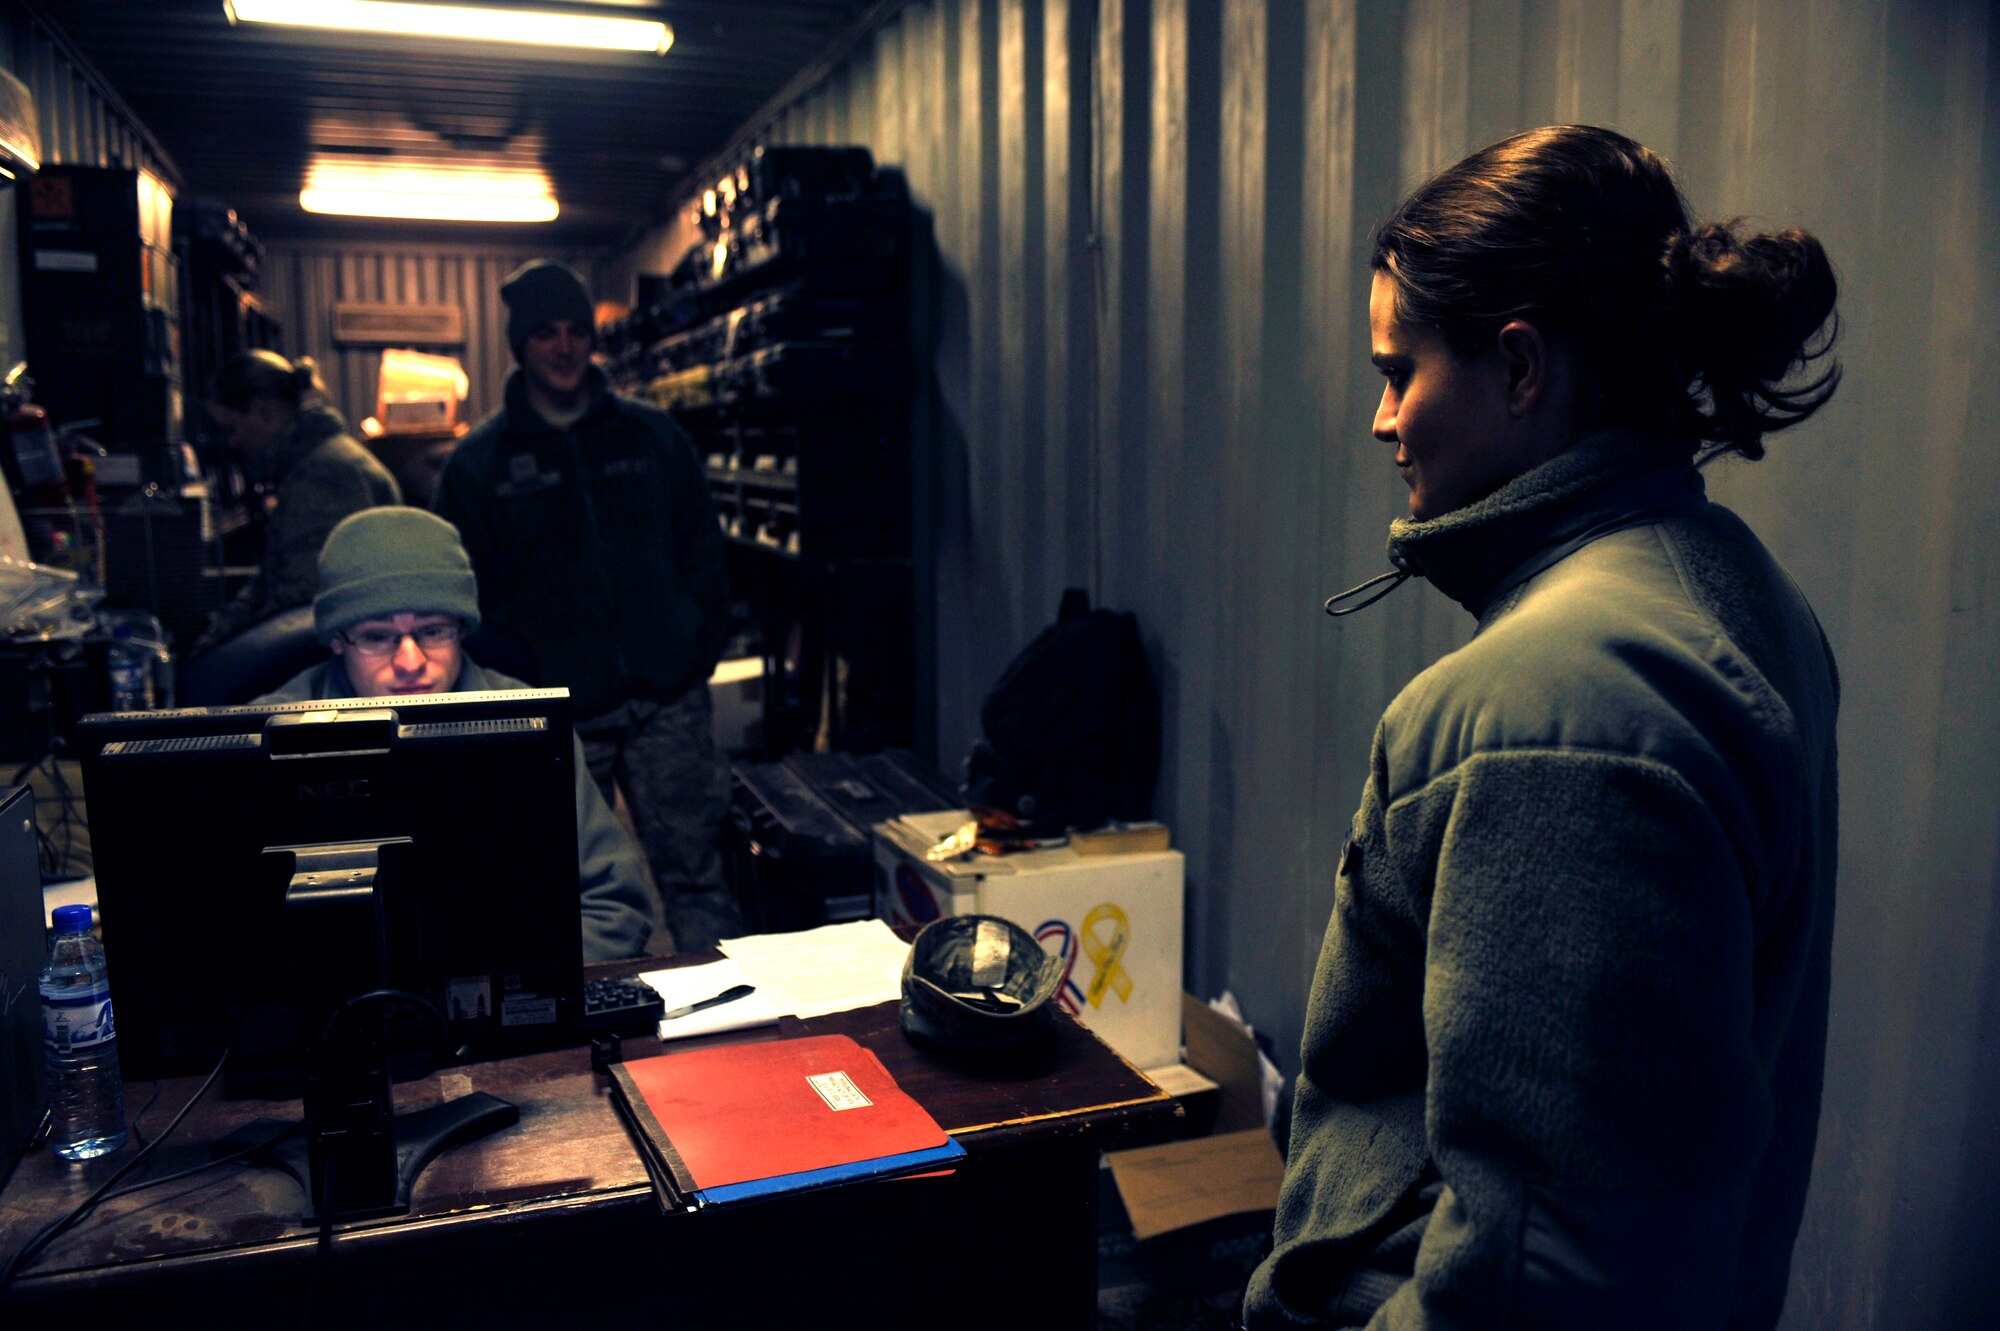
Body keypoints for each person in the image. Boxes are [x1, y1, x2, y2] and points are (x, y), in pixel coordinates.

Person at [1244, 125, 1841, 1330]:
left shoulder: (1545, 711)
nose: (1379, 420)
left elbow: (1544, 1281)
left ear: (1518, 368)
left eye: (1396, 370)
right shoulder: (1733, 589)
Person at [432, 259, 740, 951]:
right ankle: (578, 1037)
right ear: (520, 344)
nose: (565, 347)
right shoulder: (479, 463)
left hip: (667, 703)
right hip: (560, 715)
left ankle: (735, 1025)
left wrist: (694, 648)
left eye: (577, 330)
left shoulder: (653, 437)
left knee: (696, 877)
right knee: (559, 885)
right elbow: (461, 596)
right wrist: (525, 682)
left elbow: (704, 552)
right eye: (546, 333)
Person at [253, 507, 654, 964]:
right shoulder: (263, 735)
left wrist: (524, 989)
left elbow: (613, 905)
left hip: (502, 999)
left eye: (433, 631)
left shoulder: (528, 725)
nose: (410, 662)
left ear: (462, 629)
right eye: (377, 636)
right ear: (337, 640)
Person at [194, 350, 401, 654]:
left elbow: (304, 604)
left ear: (263, 412)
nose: (232, 443)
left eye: (232, 429)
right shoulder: (319, 464)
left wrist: (221, 654)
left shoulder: (325, 476)